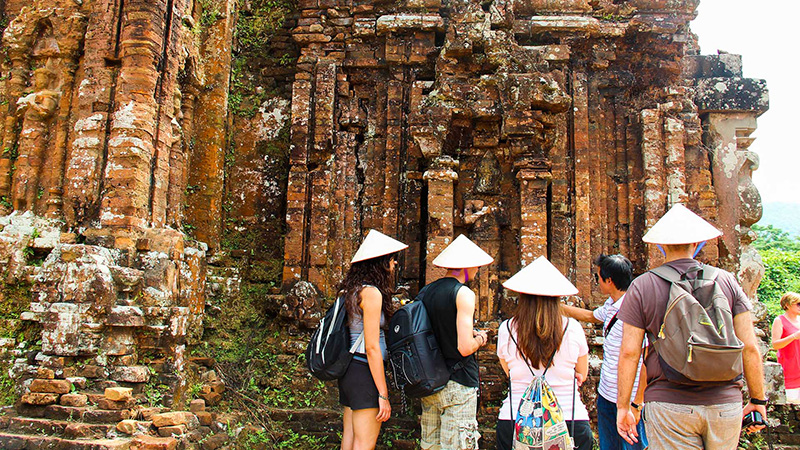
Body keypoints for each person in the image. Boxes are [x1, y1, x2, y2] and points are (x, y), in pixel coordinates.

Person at [616, 204, 767, 450]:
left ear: (660, 245)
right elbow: (749, 347)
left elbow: (630, 353)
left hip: (669, 403)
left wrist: (624, 406)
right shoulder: (726, 280)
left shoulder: (643, 286)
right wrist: (758, 399)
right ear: (698, 243)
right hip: (725, 403)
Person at [496, 256, 594, 450]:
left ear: (523, 296)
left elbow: (509, 372)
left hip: (516, 419)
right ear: (557, 297)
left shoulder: (506, 329)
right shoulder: (572, 328)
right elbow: (582, 373)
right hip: (569, 419)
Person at [562, 254, 647, 450]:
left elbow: (645, 360)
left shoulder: (636, 310)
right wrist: (557, 308)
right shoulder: (611, 305)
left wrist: (637, 403)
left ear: (609, 281)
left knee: (630, 444)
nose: (597, 281)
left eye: (598, 277)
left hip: (630, 397)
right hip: (607, 393)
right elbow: (592, 316)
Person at [419, 234, 493, 450]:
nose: (477, 270)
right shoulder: (463, 294)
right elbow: (464, 347)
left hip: (430, 383)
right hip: (458, 384)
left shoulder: (425, 292)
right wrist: (480, 338)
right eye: (475, 266)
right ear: (465, 267)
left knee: (430, 445)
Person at [338, 229, 408, 450]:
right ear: (380, 262)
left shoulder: (351, 290)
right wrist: (383, 394)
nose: (395, 264)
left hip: (349, 372)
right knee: (363, 444)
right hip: (363, 371)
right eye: (392, 259)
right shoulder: (371, 294)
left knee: (348, 441)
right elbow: (371, 347)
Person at [771, 292, 800, 404]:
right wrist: (793, 337)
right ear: (787, 305)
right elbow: (775, 344)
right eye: (798, 304)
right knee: (790, 404)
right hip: (789, 369)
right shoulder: (779, 320)